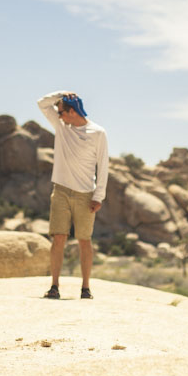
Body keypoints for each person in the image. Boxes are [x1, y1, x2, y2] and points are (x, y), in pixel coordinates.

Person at [36, 90, 109, 299]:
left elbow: (103, 166)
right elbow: (42, 103)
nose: (58, 115)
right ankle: (54, 286)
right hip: (60, 191)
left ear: (71, 112)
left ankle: (86, 288)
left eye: (61, 112)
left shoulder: (98, 133)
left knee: (84, 240)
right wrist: (61, 93)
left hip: (86, 194)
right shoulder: (61, 127)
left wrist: (99, 196)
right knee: (58, 238)